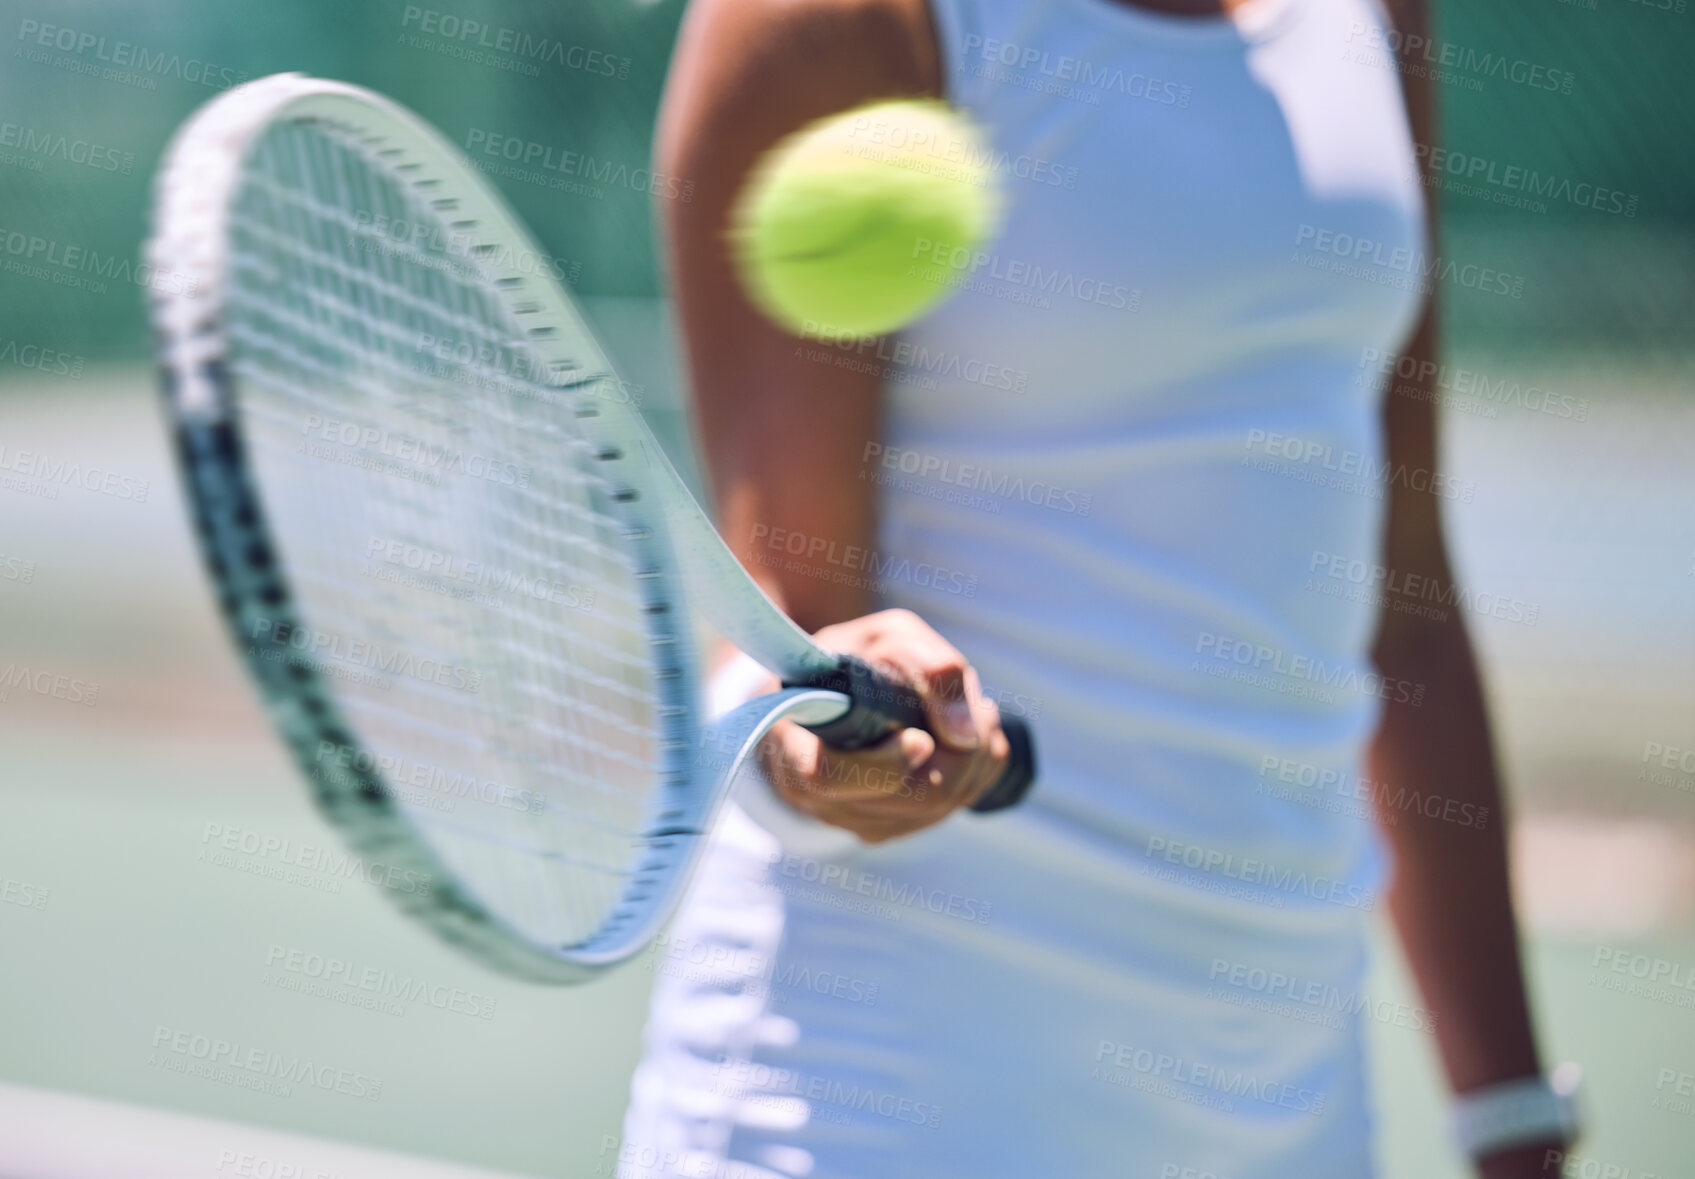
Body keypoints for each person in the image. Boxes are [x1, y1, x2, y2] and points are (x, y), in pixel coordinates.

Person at [618, 0, 1574, 1175]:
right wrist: (836, 758)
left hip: (1293, 1110)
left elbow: (1404, 603)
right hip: (881, 1102)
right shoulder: (839, 19)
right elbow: (791, 622)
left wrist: (1509, 1101)